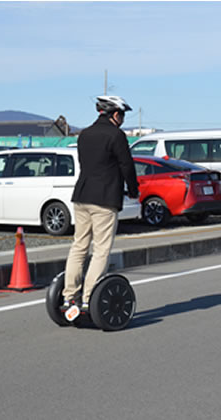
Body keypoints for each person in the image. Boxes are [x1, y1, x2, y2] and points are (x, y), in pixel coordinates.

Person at [62, 95, 139, 315]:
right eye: (122, 115)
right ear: (115, 114)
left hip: (82, 195)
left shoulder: (84, 134)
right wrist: (133, 191)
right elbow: (127, 165)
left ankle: (69, 298)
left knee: (79, 246)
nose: (123, 119)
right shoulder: (116, 135)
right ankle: (89, 300)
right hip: (105, 199)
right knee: (101, 250)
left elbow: (85, 164)